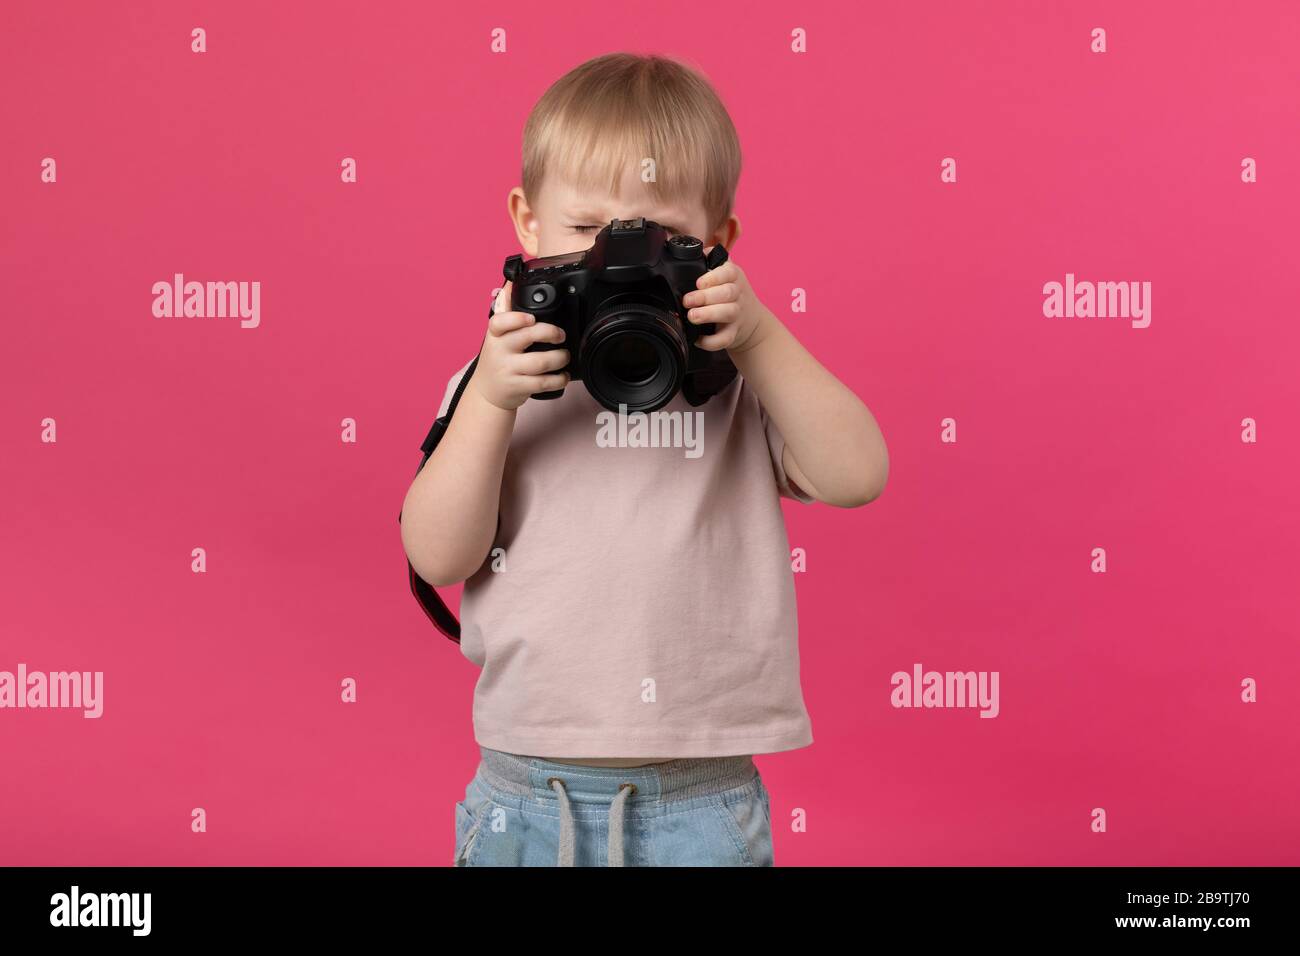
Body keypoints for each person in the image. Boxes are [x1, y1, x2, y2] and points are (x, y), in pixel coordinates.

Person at [400, 52, 889, 866]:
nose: (614, 260)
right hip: (523, 798)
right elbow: (438, 554)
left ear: (719, 245)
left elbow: (858, 475)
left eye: (665, 238)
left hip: (700, 799)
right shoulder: (501, 384)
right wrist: (487, 400)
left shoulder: (736, 384)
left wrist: (760, 335)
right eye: (585, 230)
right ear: (526, 224)